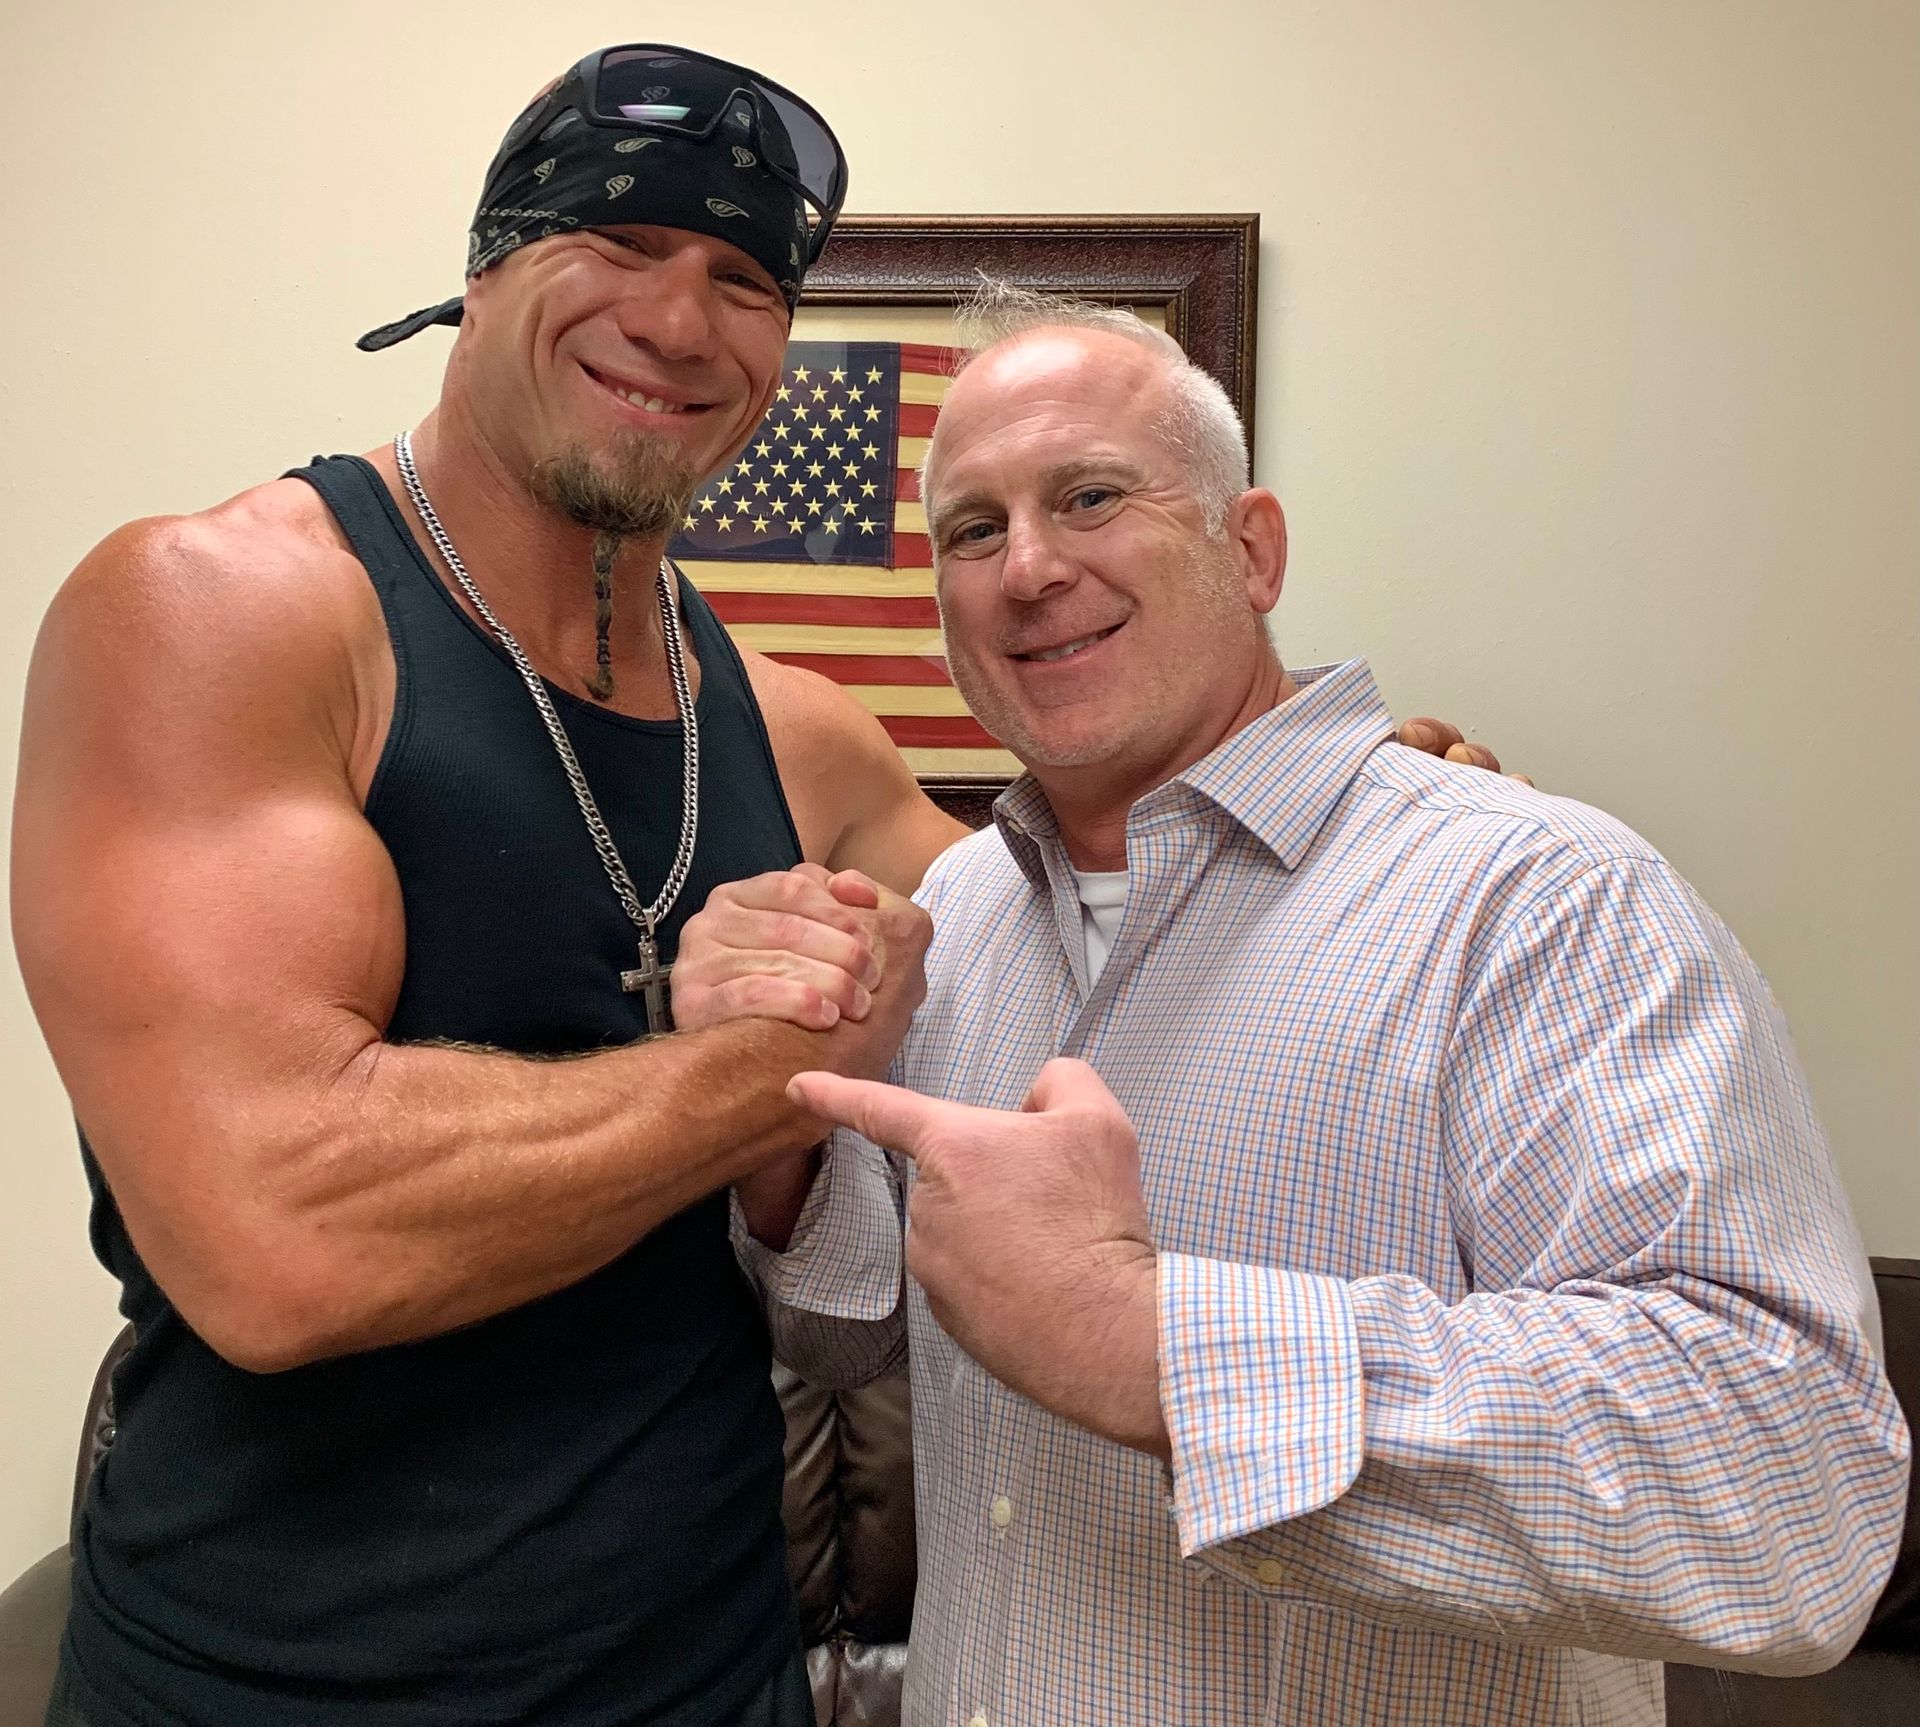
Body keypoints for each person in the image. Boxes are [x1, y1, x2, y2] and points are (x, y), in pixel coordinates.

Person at [9, 45, 1501, 1727]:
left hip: (706, 1670)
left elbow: (1111, 939)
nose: (678, 319)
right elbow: (272, 1234)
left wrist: (1362, 810)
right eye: (620, 245)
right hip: (274, 1684)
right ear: (487, 270)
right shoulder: (230, 616)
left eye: (741, 279)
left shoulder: (795, 736)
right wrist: (769, 1076)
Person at [674, 287, 1911, 1727]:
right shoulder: (959, 920)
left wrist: (1148, 1339)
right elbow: (858, 1336)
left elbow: (1793, 1496)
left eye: (1088, 497)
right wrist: (777, 1141)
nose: (1026, 569)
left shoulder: (1537, 897)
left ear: (1249, 548)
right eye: (972, 529)